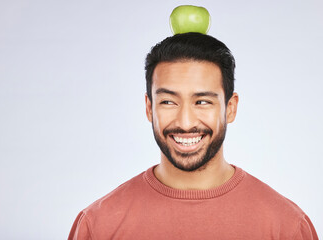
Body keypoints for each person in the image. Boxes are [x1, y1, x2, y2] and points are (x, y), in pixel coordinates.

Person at [68, 33, 319, 239]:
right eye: (168, 101)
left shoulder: (287, 227)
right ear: (149, 108)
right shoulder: (97, 225)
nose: (185, 122)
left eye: (202, 101)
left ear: (230, 108)